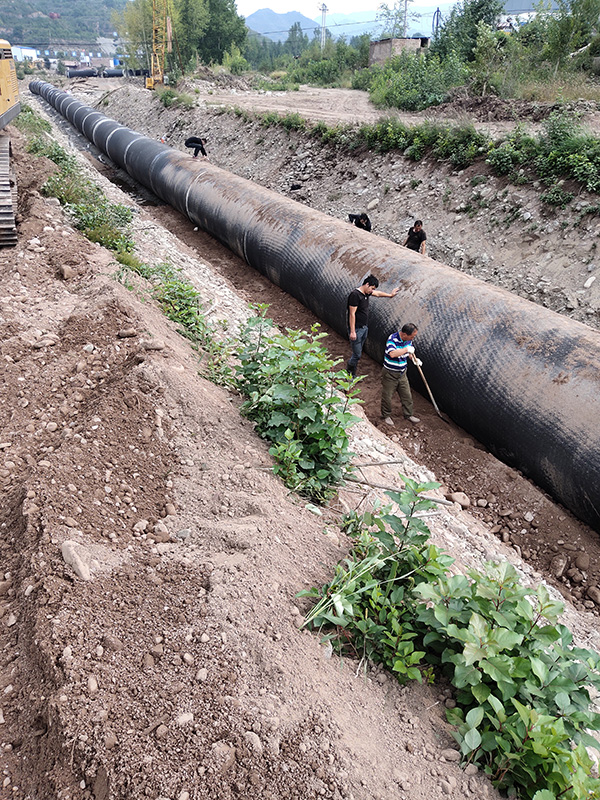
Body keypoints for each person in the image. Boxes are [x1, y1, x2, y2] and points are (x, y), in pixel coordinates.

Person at [347, 275, 399, 377]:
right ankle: (350, 373)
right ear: (367, 284)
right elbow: (352, 314)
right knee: (357, 354)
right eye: (372, 288)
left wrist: (390, 295)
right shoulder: (355, 295)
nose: (372, 291)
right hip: (357, 329)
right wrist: (352, 331)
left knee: (358, 352)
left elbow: (378, 294)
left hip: (364, 328)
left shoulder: (366, 293)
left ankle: (352, 372)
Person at [380, 323, 421, 426]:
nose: (413, 338)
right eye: (412, 336)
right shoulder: (392, 339)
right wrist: (406, 349)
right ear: (405, 334)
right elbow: (392, 354)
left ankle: (408, 414)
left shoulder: (408, 340)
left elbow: (409, 353)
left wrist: (414, 359)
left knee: (407, 395)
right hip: (390, 374)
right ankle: (386, 415)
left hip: (402, 373)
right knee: (387, 396)